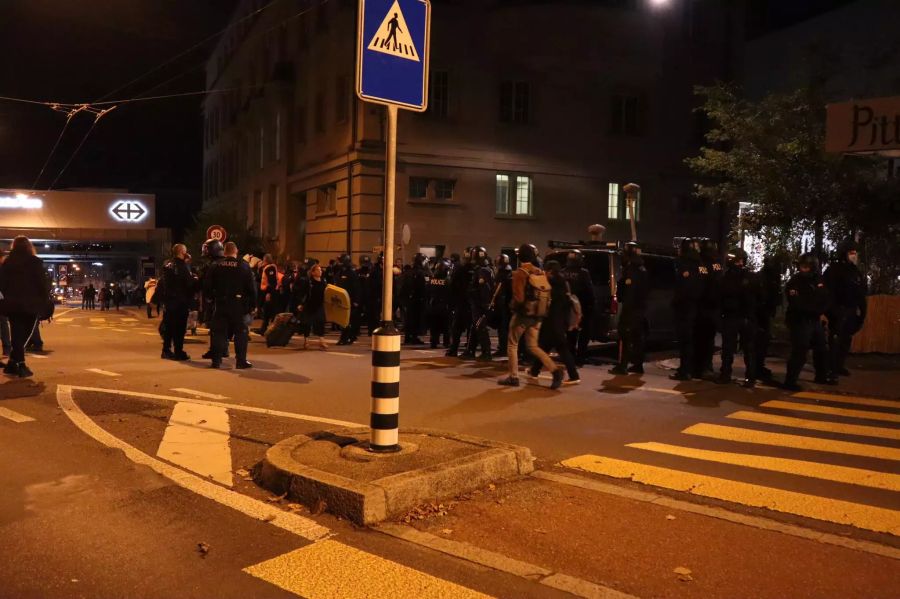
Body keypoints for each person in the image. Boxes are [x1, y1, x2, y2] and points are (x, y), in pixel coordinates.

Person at [498, 243, 564, 390]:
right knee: (533, 346)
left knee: (512, 344)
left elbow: (519, 298)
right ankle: (555, 370)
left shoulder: (520, 273)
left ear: (520, 256)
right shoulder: (539, 271)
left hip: (523, 314)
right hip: (538, 314)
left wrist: (513, 306)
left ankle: (513, 376)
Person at [0, 236, 51, 378]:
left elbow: (2, 283)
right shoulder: (34, 262)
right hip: (31, 303)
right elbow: (42, 283)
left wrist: (6, 297)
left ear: (14, 246)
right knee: (25, 333)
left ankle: (12, 362)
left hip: (12, 303)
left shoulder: (7, 262)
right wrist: (44, 299)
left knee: (17, 331)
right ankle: (20, 364)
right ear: (29, 246)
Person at [782, 253, 833, 391]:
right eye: (801, 267)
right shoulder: (795, 282)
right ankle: (790, 381)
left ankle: (821, 375)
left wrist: (821, 311)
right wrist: (816, 310)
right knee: (800, 349)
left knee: (821, 348)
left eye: (806, 267)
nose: (803, 269)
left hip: (815, 320)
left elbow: (826, 298)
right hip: (800, 320)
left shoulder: (818, 280)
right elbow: (797, 303)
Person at [205, 242, 256, 369]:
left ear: (224, 251)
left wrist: (210, 298)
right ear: (236, 251)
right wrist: (253, 305)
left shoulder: (216, 265)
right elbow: (251, 288)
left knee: (218, 332)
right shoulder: (243, 266)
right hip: (238, 305)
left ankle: (216, 361)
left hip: (221, 303)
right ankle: (240, 361)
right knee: (241, 333)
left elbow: (207, 285)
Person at [528, 260, 579, 383]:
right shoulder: (564, 283)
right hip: (560, 321)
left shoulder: (551, 284)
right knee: (546, 347)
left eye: (546, 271)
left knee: (555, 348)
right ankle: (534, 371)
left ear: (550, 272)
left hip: (552, 322)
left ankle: (573, 375)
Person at [823, 239, 867, 377]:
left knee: (846, 340)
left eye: (855, 253)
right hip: (839, 311)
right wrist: (832, 311)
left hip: (851, 310)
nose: (854, 255)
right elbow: (828, 292)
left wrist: (862, 311)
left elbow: (860, 292)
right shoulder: (834, 270)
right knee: (835, 340)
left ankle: (839, 365)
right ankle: (831, 367)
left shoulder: (855, 271)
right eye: (851, 253)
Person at [717, 249, 759, 387]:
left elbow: (757, 297)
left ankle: (749, 377)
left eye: (740, 260)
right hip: (733, 316)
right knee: (730, 348)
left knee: (747, 349)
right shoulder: (728, 277)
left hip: (743, 317)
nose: (739, 263)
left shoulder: (748, 277)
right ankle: (727, 374)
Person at [610, 242, 649, 375]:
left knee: (625, 335)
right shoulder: (641, 268)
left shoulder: (632, 269)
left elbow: (630, 292)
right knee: (637, 337)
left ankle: (623, 365)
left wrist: (627, 308)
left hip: (632, 308)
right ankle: (638, 364)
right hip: (640, 308)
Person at [670, 238, 703, 381]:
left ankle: (685, 370)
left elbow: (682, 287)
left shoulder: (683, 264)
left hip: (685, 307)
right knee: (693, 339)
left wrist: (676, 302)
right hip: (698, 307)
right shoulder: (700, 264)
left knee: (685, 340)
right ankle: (692, 369)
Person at [158, 244, 196, 361]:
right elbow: (188, 284)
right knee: (179, 328)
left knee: (169, 327)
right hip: (180, 301)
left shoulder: (167, 264)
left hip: (169, 301)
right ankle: (178, 351)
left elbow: (163, 282)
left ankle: (166, 350)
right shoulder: (182, 266)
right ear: (182, 252)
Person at [693, 239, 722, 379]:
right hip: (711, 308)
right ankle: (705, 367)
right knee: (707, 340)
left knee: (700, 339)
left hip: (703, 307)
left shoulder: (701, 263)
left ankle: (700, 367)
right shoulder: (716, 264)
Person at [561, 249, 595, 365]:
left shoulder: (563, 272)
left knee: (570, 334)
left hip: (567, 308)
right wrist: (592, 305)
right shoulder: (583, 273)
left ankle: (570, 357)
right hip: (582, 308)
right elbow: (589, 291)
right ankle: (580, 358)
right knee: (584, 334)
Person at [755, 254, 783, 382]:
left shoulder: (772, 277)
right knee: (760, 342)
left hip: (765, 312)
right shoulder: (765, 277)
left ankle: (758, 367)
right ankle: (757, 368)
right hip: (761, 313)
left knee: (763, 342)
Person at [467, 247, 495, 361]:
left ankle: (486, 352)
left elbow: (483, 289)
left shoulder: (482, 270)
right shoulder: (487, 269)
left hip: (480, 304)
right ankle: (471, 350)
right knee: (476, 326)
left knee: (480, 327)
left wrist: (484, 304)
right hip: (480, 303)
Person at [446, 248, 474, 357]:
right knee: (471, 328)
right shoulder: (478, 270)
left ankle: (454, 349)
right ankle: (469, 349)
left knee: (457, 327)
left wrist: (452, 302)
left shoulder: (460, 269)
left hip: (462, 302)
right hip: (471, 303)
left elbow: (452, 286)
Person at [297, 263, 328, 350]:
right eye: (318, 270)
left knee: (321, 322)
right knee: (307, 323)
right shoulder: (308, 281)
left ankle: (322, 341)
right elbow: (303, 294)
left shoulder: (323, 281)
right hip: (309, 305)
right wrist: (301, 304)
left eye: (320, 270)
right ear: (313, 272)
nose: (320, 272)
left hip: (319, 305)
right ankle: (306, 341)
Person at [401, 253, 429, 345]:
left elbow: (403, 287)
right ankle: (413, 337)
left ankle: (408, 337)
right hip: (418, 300)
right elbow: (423, 288)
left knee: (409, 319)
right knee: (416, 319)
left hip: (409, 300)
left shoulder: (408, 272)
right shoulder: (421, 273)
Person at [334, 254, 361, 345]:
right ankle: (346, 337)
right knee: (343, 320)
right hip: (341, 300)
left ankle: (348, 337)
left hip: (350, 300)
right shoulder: (340, 272)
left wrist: (356, 301)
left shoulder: (351, 273)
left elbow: (356, 288)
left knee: (349, 320)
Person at [493, 254, 513, 357]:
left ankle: (503, 348)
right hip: (507, 305)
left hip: (502, 305)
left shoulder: (501, 274)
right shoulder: (510, 272)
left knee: (502, 328)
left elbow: (499, 291)